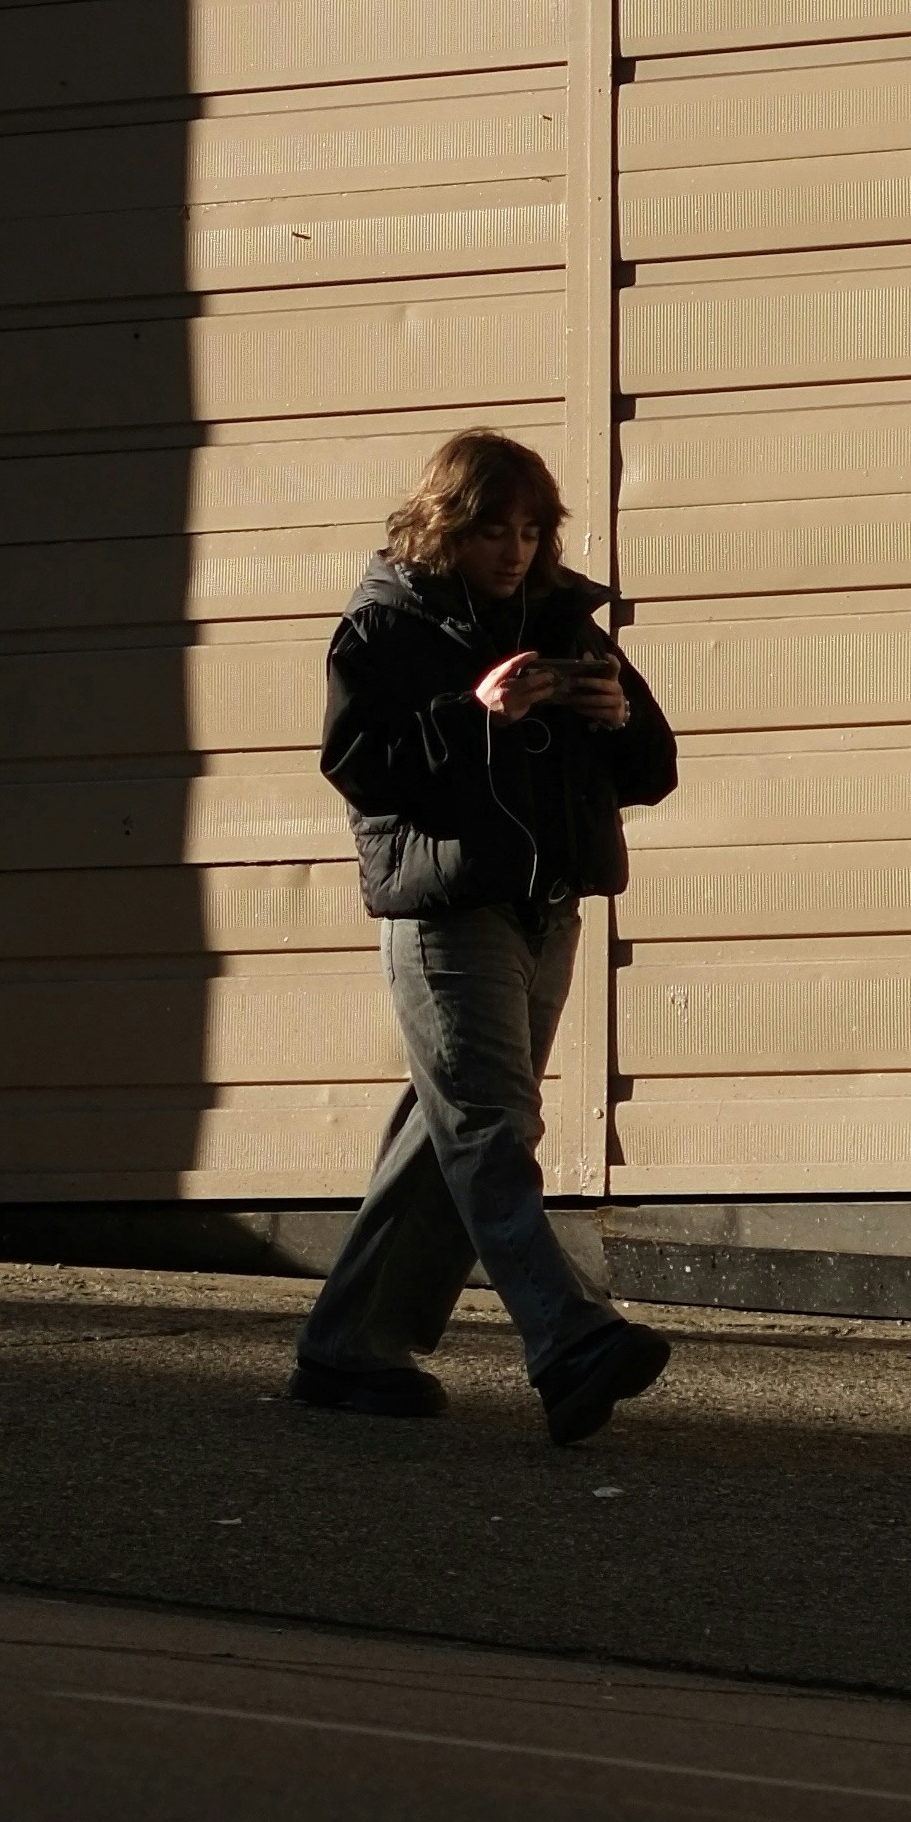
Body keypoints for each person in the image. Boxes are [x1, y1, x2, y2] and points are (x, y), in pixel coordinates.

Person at [292, 427, 680, 1444]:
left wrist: (614, 714)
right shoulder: (386, 624)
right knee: (491, 1129)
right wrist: (474, 715)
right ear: (446, 525)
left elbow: (651, 769)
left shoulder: (562, 618)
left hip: (545, 906)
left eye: (529, 530)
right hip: (443, 911)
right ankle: (568, 1339)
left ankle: (347, 1346)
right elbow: (359, 764)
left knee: (450, 1129)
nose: (513, 550)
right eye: (492, 531)